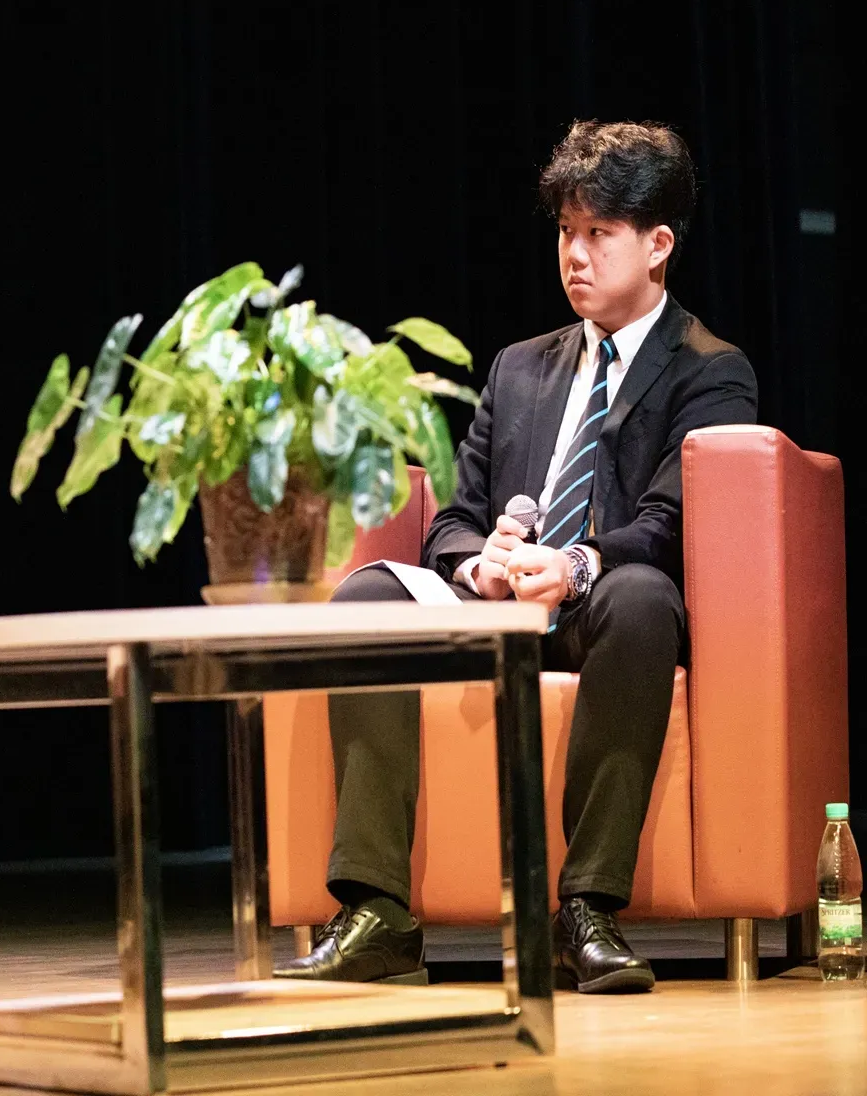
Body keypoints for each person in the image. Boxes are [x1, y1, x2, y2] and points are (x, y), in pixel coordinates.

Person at [276, 121, 758, 994]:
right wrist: (481, 566)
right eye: (566, 231)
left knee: (643, 595)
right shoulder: (519, 369)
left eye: (599, 233)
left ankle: (587, 909)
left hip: (600, 610)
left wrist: (574, 565)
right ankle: (378, 912)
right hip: (499, 608)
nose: (575, 255)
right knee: (366, 595)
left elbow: (667, 524)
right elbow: (454, 521)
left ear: (657, 245)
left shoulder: (710, 370)